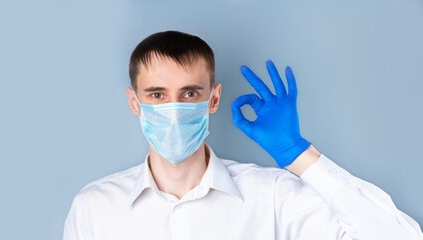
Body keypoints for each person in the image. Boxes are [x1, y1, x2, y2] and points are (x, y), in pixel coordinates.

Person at [62, 30, 423, 240]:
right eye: (157, 95)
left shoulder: (272, 197)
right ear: (134, 102)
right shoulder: (94, 207)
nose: (173, 108)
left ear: (213, 98)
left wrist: (297, 154)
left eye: (190, 94)